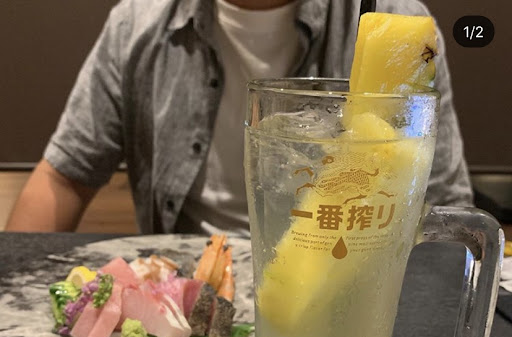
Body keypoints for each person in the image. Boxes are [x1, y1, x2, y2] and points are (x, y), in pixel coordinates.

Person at [6, 0, 473, 235]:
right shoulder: (137, 22)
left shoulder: (395, 24)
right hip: (193, 301)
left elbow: (446, 209)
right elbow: (63, 178)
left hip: (340, 304)